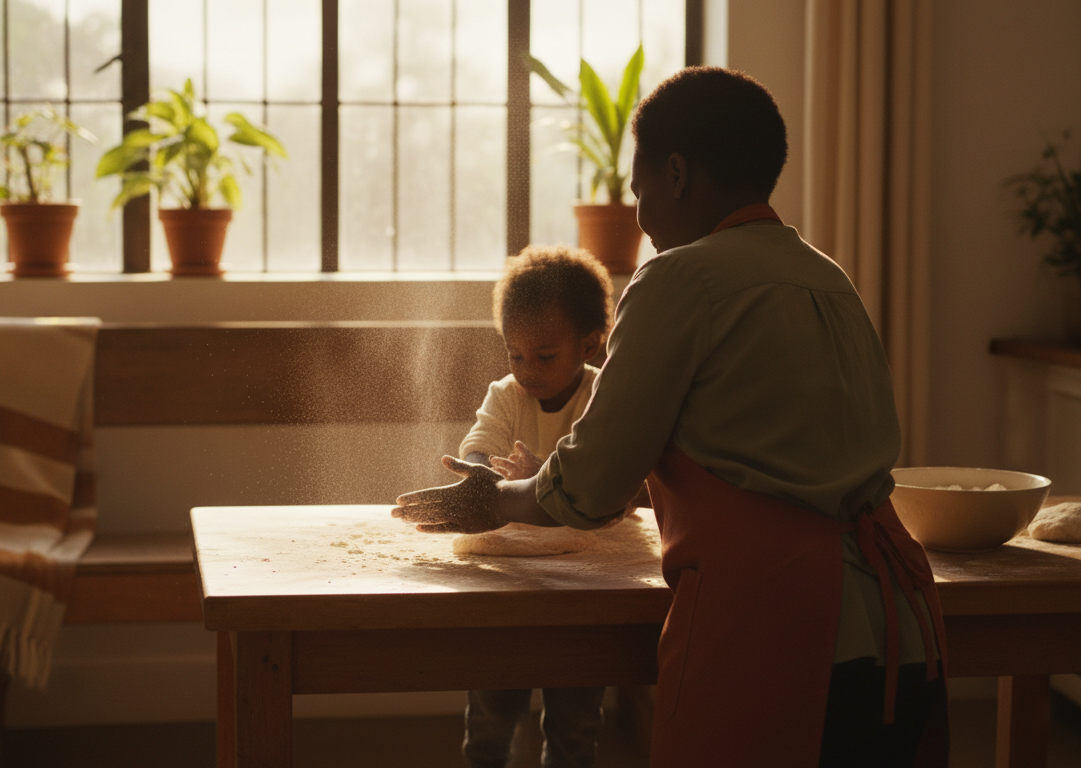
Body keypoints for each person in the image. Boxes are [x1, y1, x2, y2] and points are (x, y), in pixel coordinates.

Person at [394, 66, 949, 768]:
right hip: (898, 622)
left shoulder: (679, 279)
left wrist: (494, 499)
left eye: (640, 190)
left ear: (677, 173)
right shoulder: (827, 276)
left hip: (777, 628)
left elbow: (593, 482)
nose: (642, 216)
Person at [457, 244, 613, 768]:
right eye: (515, 355)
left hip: (590, 578)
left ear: (589, 345)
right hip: (511, 576)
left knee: (573, 730)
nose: (527, 370)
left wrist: (540, 476)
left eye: (544, 356)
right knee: (490, 722)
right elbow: (478, 446)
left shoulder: (603, 397)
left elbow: (610, 480)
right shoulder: (506, 396)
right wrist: (478, 473)